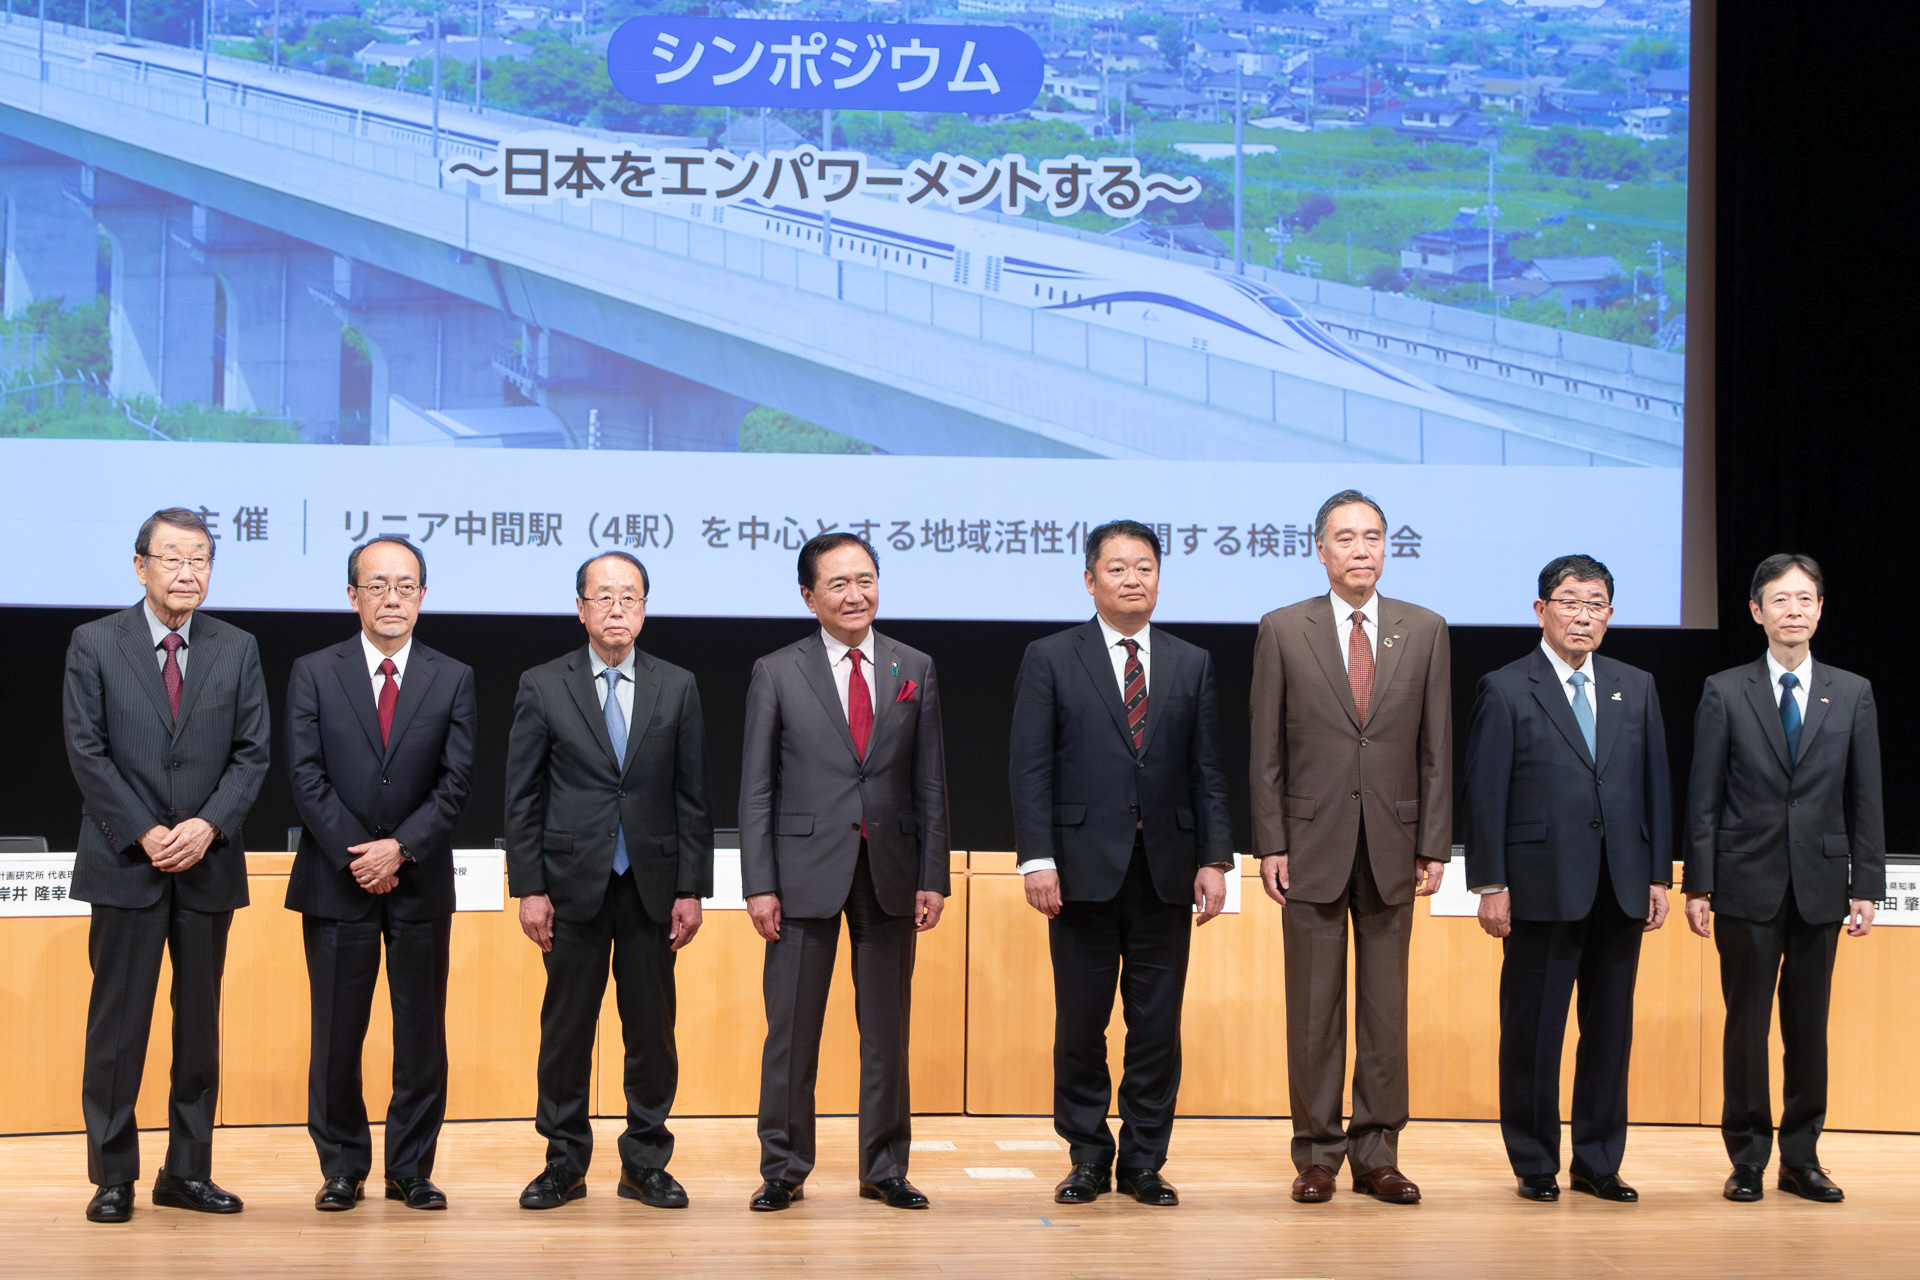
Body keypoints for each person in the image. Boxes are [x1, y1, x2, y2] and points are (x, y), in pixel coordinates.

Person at [1008, 520, 1232, 1209]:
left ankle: (1143, 1159)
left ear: (1159, 579)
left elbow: (1209, 771)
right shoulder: (1051, 656)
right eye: (1117, 568)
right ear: (1089, 580)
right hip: (1077, 871)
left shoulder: (1190, 661)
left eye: (1145, 568)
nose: (1132, 579)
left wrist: (1215, 858)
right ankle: (1085, 1155)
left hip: (1166, 870)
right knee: (1081, 1022)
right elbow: (1030, 767)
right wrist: (1037, 859)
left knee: (1156, 1026)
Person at [63, 507, 271, 1223]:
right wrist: (147, 832)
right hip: (126, 861)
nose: (189, 573)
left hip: (207, 863)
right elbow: (86, 752)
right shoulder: (94, 643)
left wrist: (208, 825)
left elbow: (253, 753)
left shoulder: (237, 647)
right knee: (117, 1028)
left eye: (202, 559)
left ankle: (187, 1171)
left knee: (199, 1027)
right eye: (174, 559)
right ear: (140, 565)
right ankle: (112, 1174)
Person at [1247, 489, 1451, 1205]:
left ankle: (1378, 1153)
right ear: (1320, 549)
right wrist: (1270, 839)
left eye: (1373, 537)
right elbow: (1264, 748)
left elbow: (1437, 748)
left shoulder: (1424, 629)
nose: (1361, 549)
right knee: (1313, 1010)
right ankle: (1317, 1154)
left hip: (1395, 844)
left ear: (1388, 548)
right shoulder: (1282, 628)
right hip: (1308, 843)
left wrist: (1434, 844)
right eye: (1346, 538)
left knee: (1385, 1011)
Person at [739, 533, 951, 1212]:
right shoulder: (776, 671)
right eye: (838, 583)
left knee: (887, 1031)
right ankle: (783, 1167)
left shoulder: (912, 665)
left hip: (889, 869)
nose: (855, 594)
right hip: (801, 871)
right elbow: (757, 789)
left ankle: (884, 1166)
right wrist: (759, 882)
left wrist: (933, 874)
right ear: (808, 596)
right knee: (792, 1033)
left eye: (866, 579)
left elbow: (931, 782)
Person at [504, 552, 713, 1211]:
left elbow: (693, 797)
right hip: (570, 886)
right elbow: (522, 796)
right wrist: (529, 888)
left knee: (652, 1031)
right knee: (567, 1030)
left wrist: (691, 888)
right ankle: (562, 1163)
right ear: (581, 608)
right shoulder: (542, 684)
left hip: (651, 886)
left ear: (645, 608)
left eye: (630, 597)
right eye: (604, 597)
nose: (617, 608)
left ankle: (645, 1162)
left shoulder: (677, 685)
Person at [1463, 554, 1672, 1203]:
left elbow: (1655, 786)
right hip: (1537, 885)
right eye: (1571, 601)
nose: (1584, 614)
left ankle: (1598, 1160)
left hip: (1621, 882)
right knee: (1535, 1032)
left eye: (1597, 603)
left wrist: (1659, 875)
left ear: (1610, 615)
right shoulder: (1505, 687)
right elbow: (1485, 791)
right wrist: (1490, 883)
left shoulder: (1634, 685)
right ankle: (1533, 1160)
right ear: (1541, 610)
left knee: (1610, 1031)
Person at [284, 535, 477, 1212]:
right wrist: (360, 854)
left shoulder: (452, 676)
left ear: (423, 596)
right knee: (337, 1034)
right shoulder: (314, 670)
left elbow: (455, 784)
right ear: (352, 596)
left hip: (420, 882)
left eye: (405, 585)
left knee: (421, 1034)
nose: (392, 598)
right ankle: (341, 1166)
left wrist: (401, 848)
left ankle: (411, 1168)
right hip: (336, 884)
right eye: (377, 585)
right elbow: (305, 778)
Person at [1684, 553, 1882, 1204]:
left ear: (1820, 610)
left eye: (1805, 599)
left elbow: (1865, 798)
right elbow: (1704, 796)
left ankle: (1802, 1158)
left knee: (1808, 1027)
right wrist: (1700, 883)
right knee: (1745, 1027)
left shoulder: (1852, 691)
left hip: (1823, 885)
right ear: (1756, 612)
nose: (1794, 610)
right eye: (1781, 600)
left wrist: (1866, 884)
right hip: (1745, 882)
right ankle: (1746, 1159)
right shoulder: (1725, 688)